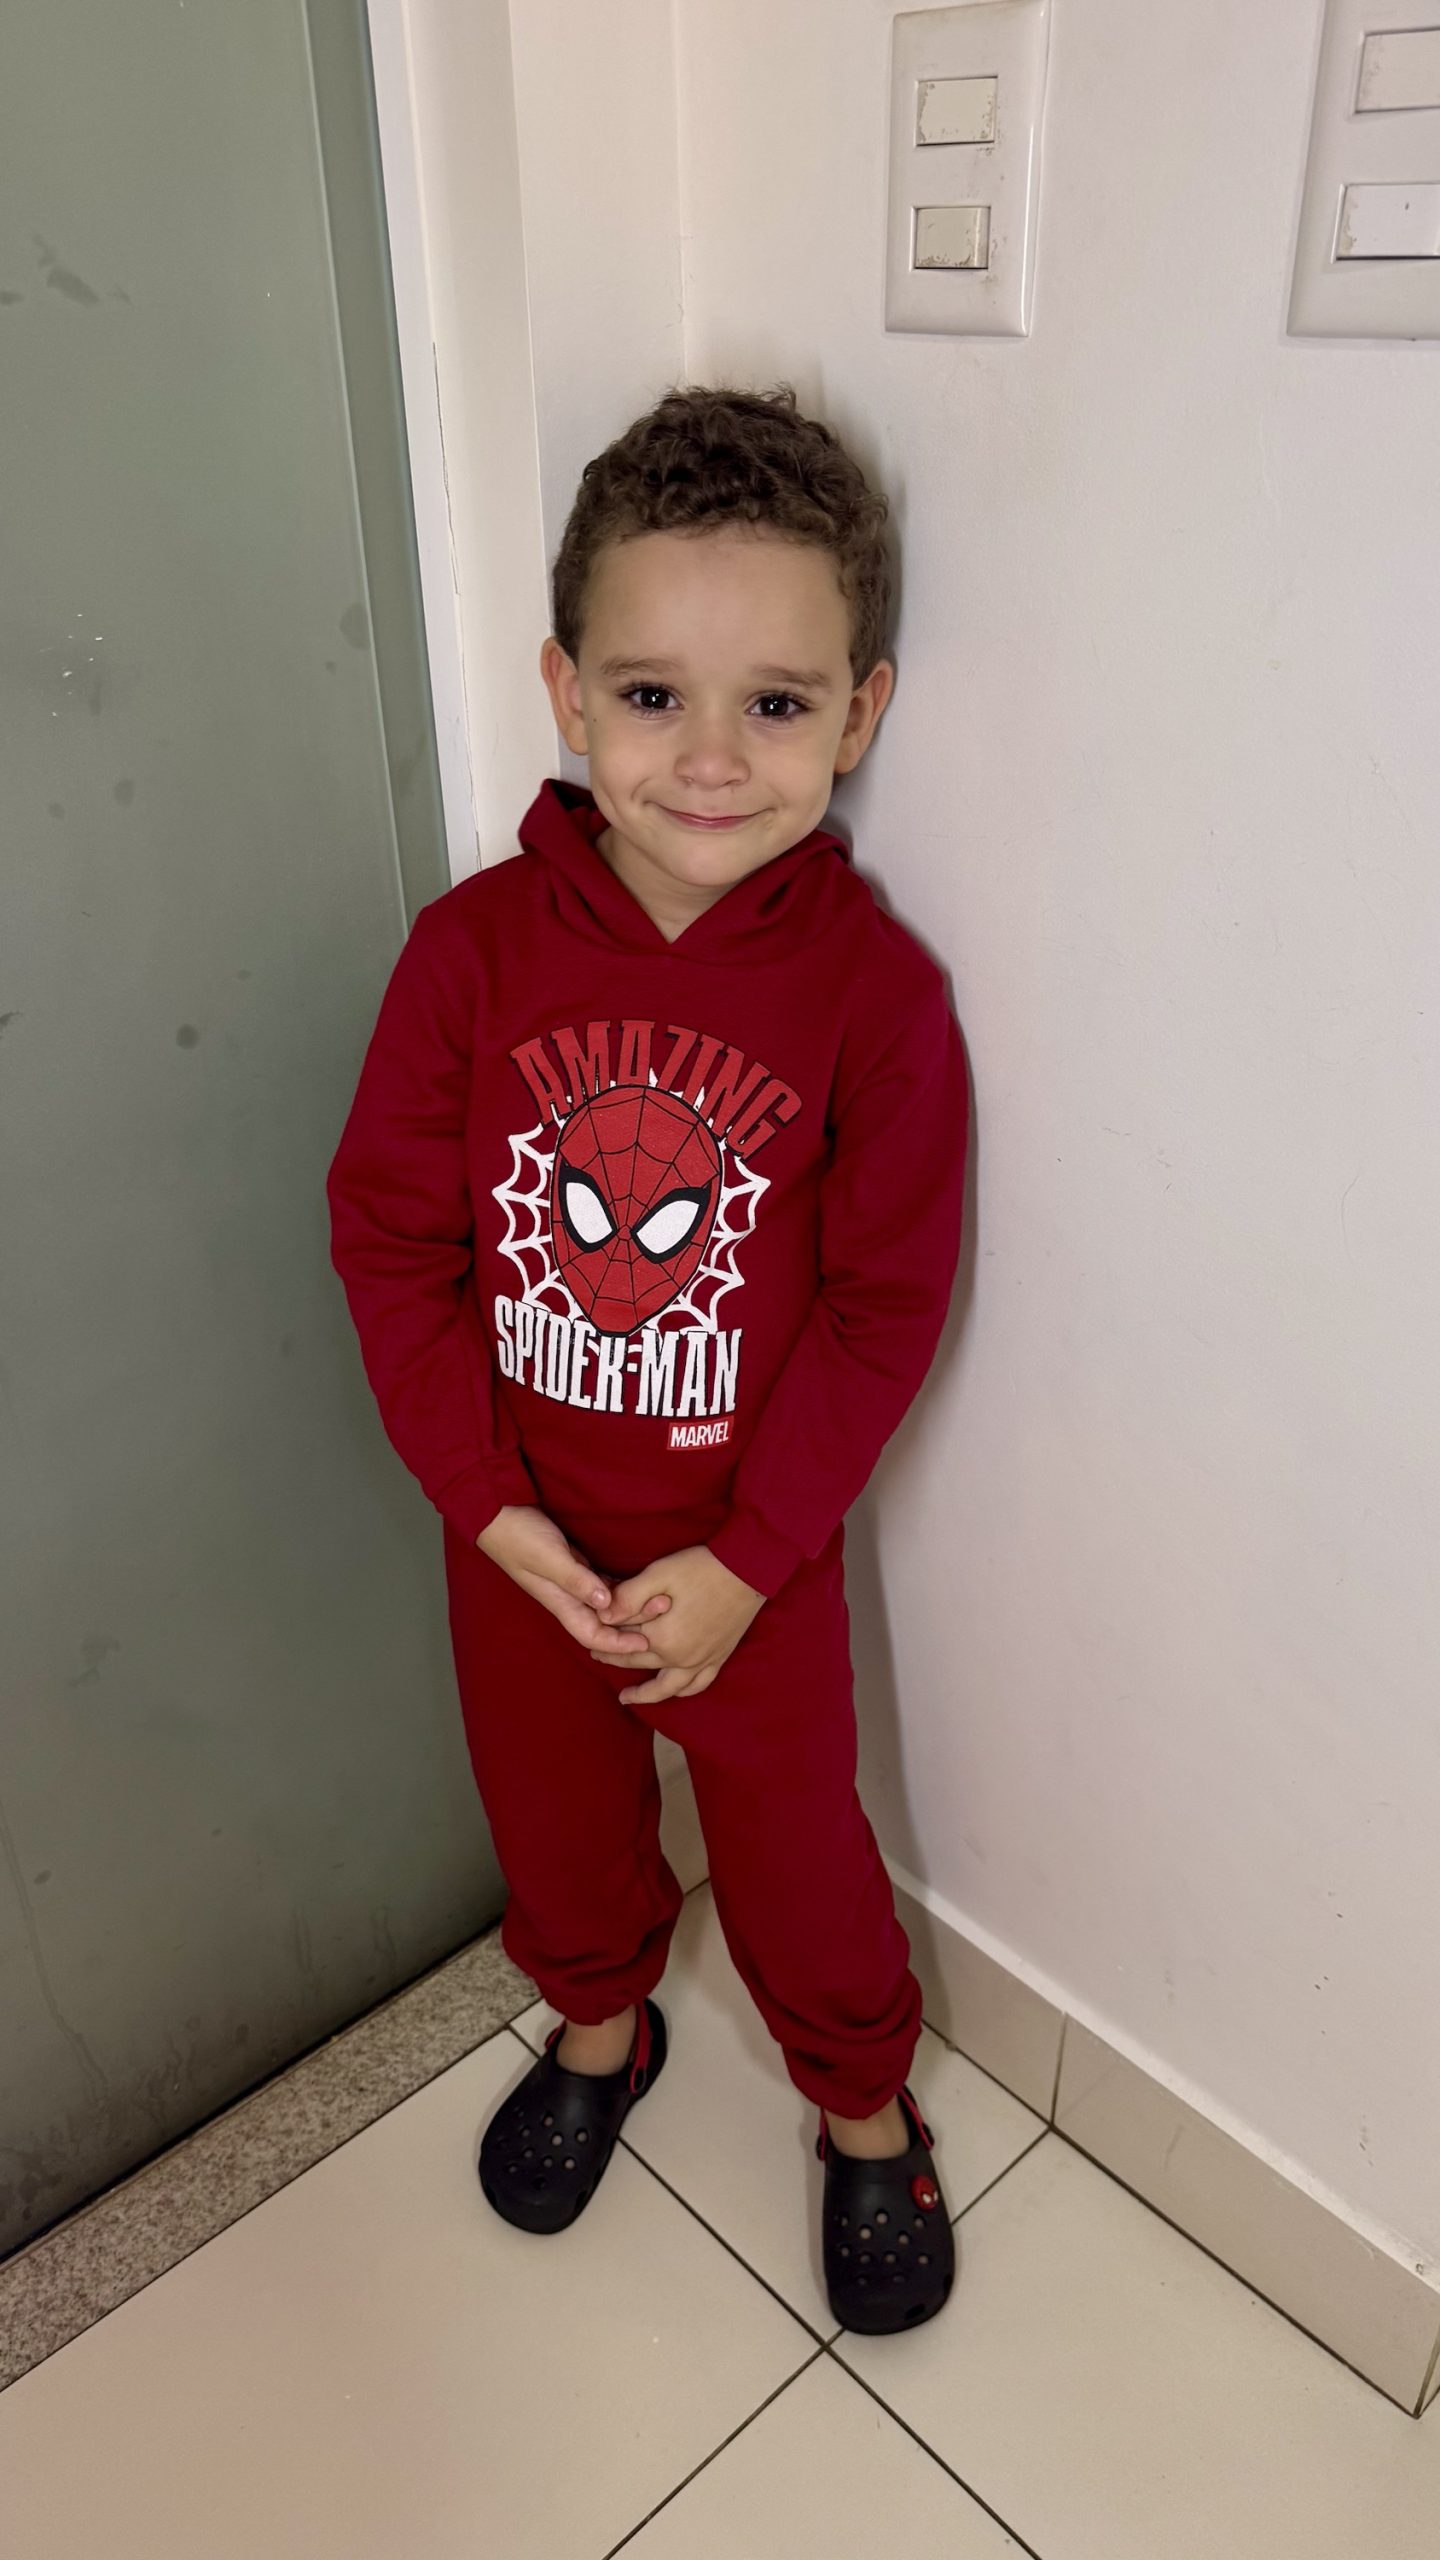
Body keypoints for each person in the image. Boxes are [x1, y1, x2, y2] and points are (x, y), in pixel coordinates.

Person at [326, 385, 969, 2335]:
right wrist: (486, 1510)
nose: (707, 757)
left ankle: (863, 2111)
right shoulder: (467, 956)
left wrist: (753, 1557)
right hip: (520, 1545)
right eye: (649, 693)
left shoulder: (877, 1001)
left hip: (746, 1561)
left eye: (774, 703)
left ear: (858, 714)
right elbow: (394, 1243)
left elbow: (881, 1307)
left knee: (801, 1867)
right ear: (565, 692)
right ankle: (603, 2028)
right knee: (555, 1827)